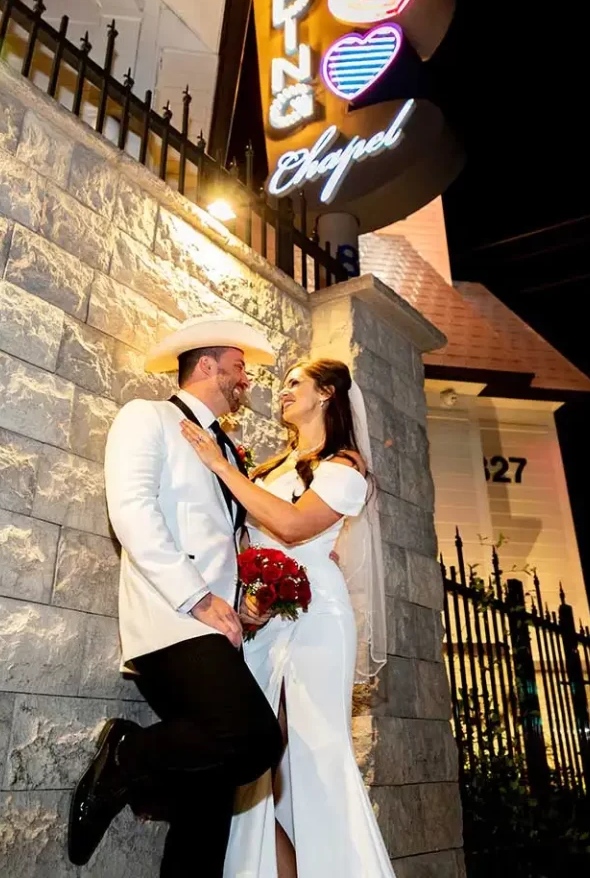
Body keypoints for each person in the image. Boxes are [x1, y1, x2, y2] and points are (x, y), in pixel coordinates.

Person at [68, 316, 283, 876]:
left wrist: (241, 604)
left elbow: (222, 538)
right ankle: (126, 757)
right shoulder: (148, 417)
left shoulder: (229, 452)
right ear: (206, 365)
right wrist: (197, 598)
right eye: (239, 369)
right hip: (172, 621)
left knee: (210, 806)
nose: (246, 382)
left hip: (217, 626)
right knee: (255, 741)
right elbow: (133, 511)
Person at [180, 357, 393, 878]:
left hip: (318, 616)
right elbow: (249, 540)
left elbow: (296, 527)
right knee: (258, 754)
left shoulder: (345, 467)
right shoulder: (271, 468)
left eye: (295, 382)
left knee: (314, 751)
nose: (283, 390)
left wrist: (221, 467)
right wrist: (250, 596)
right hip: (266, 623)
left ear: (326, 394)